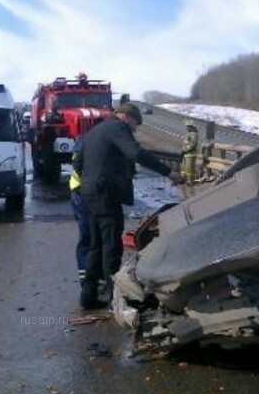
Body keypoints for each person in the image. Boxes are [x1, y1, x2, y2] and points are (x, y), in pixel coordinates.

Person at [74, 103, 184, 309]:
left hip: (88, 192)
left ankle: (88, 297)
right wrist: (168, 172)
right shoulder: (117, 127)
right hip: (105, 192)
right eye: (134, 124)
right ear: (125, 117)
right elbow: (136, 153)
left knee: (95, 244)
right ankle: (114, 296)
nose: (134, 129)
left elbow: (78, 164)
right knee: (111, 244)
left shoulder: (95, 131)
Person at [69, 137, 89, 285]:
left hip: (81, 192)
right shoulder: (85, 143)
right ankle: (87, 280)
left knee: (87, 236)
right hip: (82, 193)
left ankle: (88, 278)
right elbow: (78, 165)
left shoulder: (84, 141)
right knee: (88, 236)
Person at [181, 119, 199, 185]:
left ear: (191, 127)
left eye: (188, 126)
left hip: (190, 154)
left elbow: (193, 144)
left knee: (189, 169)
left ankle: (190, 181)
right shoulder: (188, 134)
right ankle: (184, 180)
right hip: (186, 154)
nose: (186, 127)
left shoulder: (194, 134)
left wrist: (185, 150)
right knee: (184, 168)